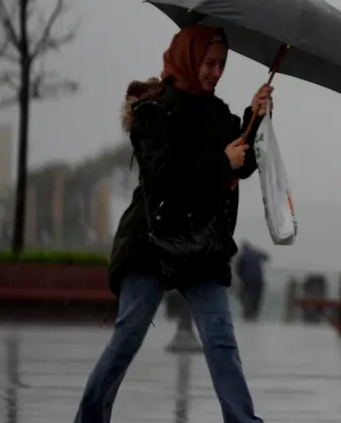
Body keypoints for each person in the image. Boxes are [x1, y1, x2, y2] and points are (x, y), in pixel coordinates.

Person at [74, 25, 272, 423]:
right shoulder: (153, 111)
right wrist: (221, 162)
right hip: (151, 238)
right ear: (189, 57)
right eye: (209, 63)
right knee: (128, 336)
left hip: (202, 243)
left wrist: (255, 115)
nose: (216, 72)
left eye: (222, 65)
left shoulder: (219, 114)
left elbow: (243, 161)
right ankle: (90, 419)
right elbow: (163, 173)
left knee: (220, 341)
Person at [235, 240, 270, 322]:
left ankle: (249, 314)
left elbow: (238, 270)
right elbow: (267, 257)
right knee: (257, 297)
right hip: (258, 279)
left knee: (246, 296)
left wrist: (241, 279)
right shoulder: (256, 253)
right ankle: (255, 314)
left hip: (248, 281)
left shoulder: (242, 256)